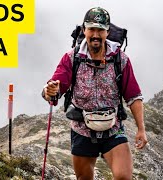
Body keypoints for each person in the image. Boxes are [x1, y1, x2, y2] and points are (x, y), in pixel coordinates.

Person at [42, 7, 148, 180]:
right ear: (84, 30)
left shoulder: (121, 59)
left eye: (101, 29)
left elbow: (133, 96)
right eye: (92, 29)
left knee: (123, 177)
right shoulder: (72, 58)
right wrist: (49, 91)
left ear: (107, 31)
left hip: (113, 130)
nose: (96, 34)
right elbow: (54, 89)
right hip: (82, 130)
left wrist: (141, 130)